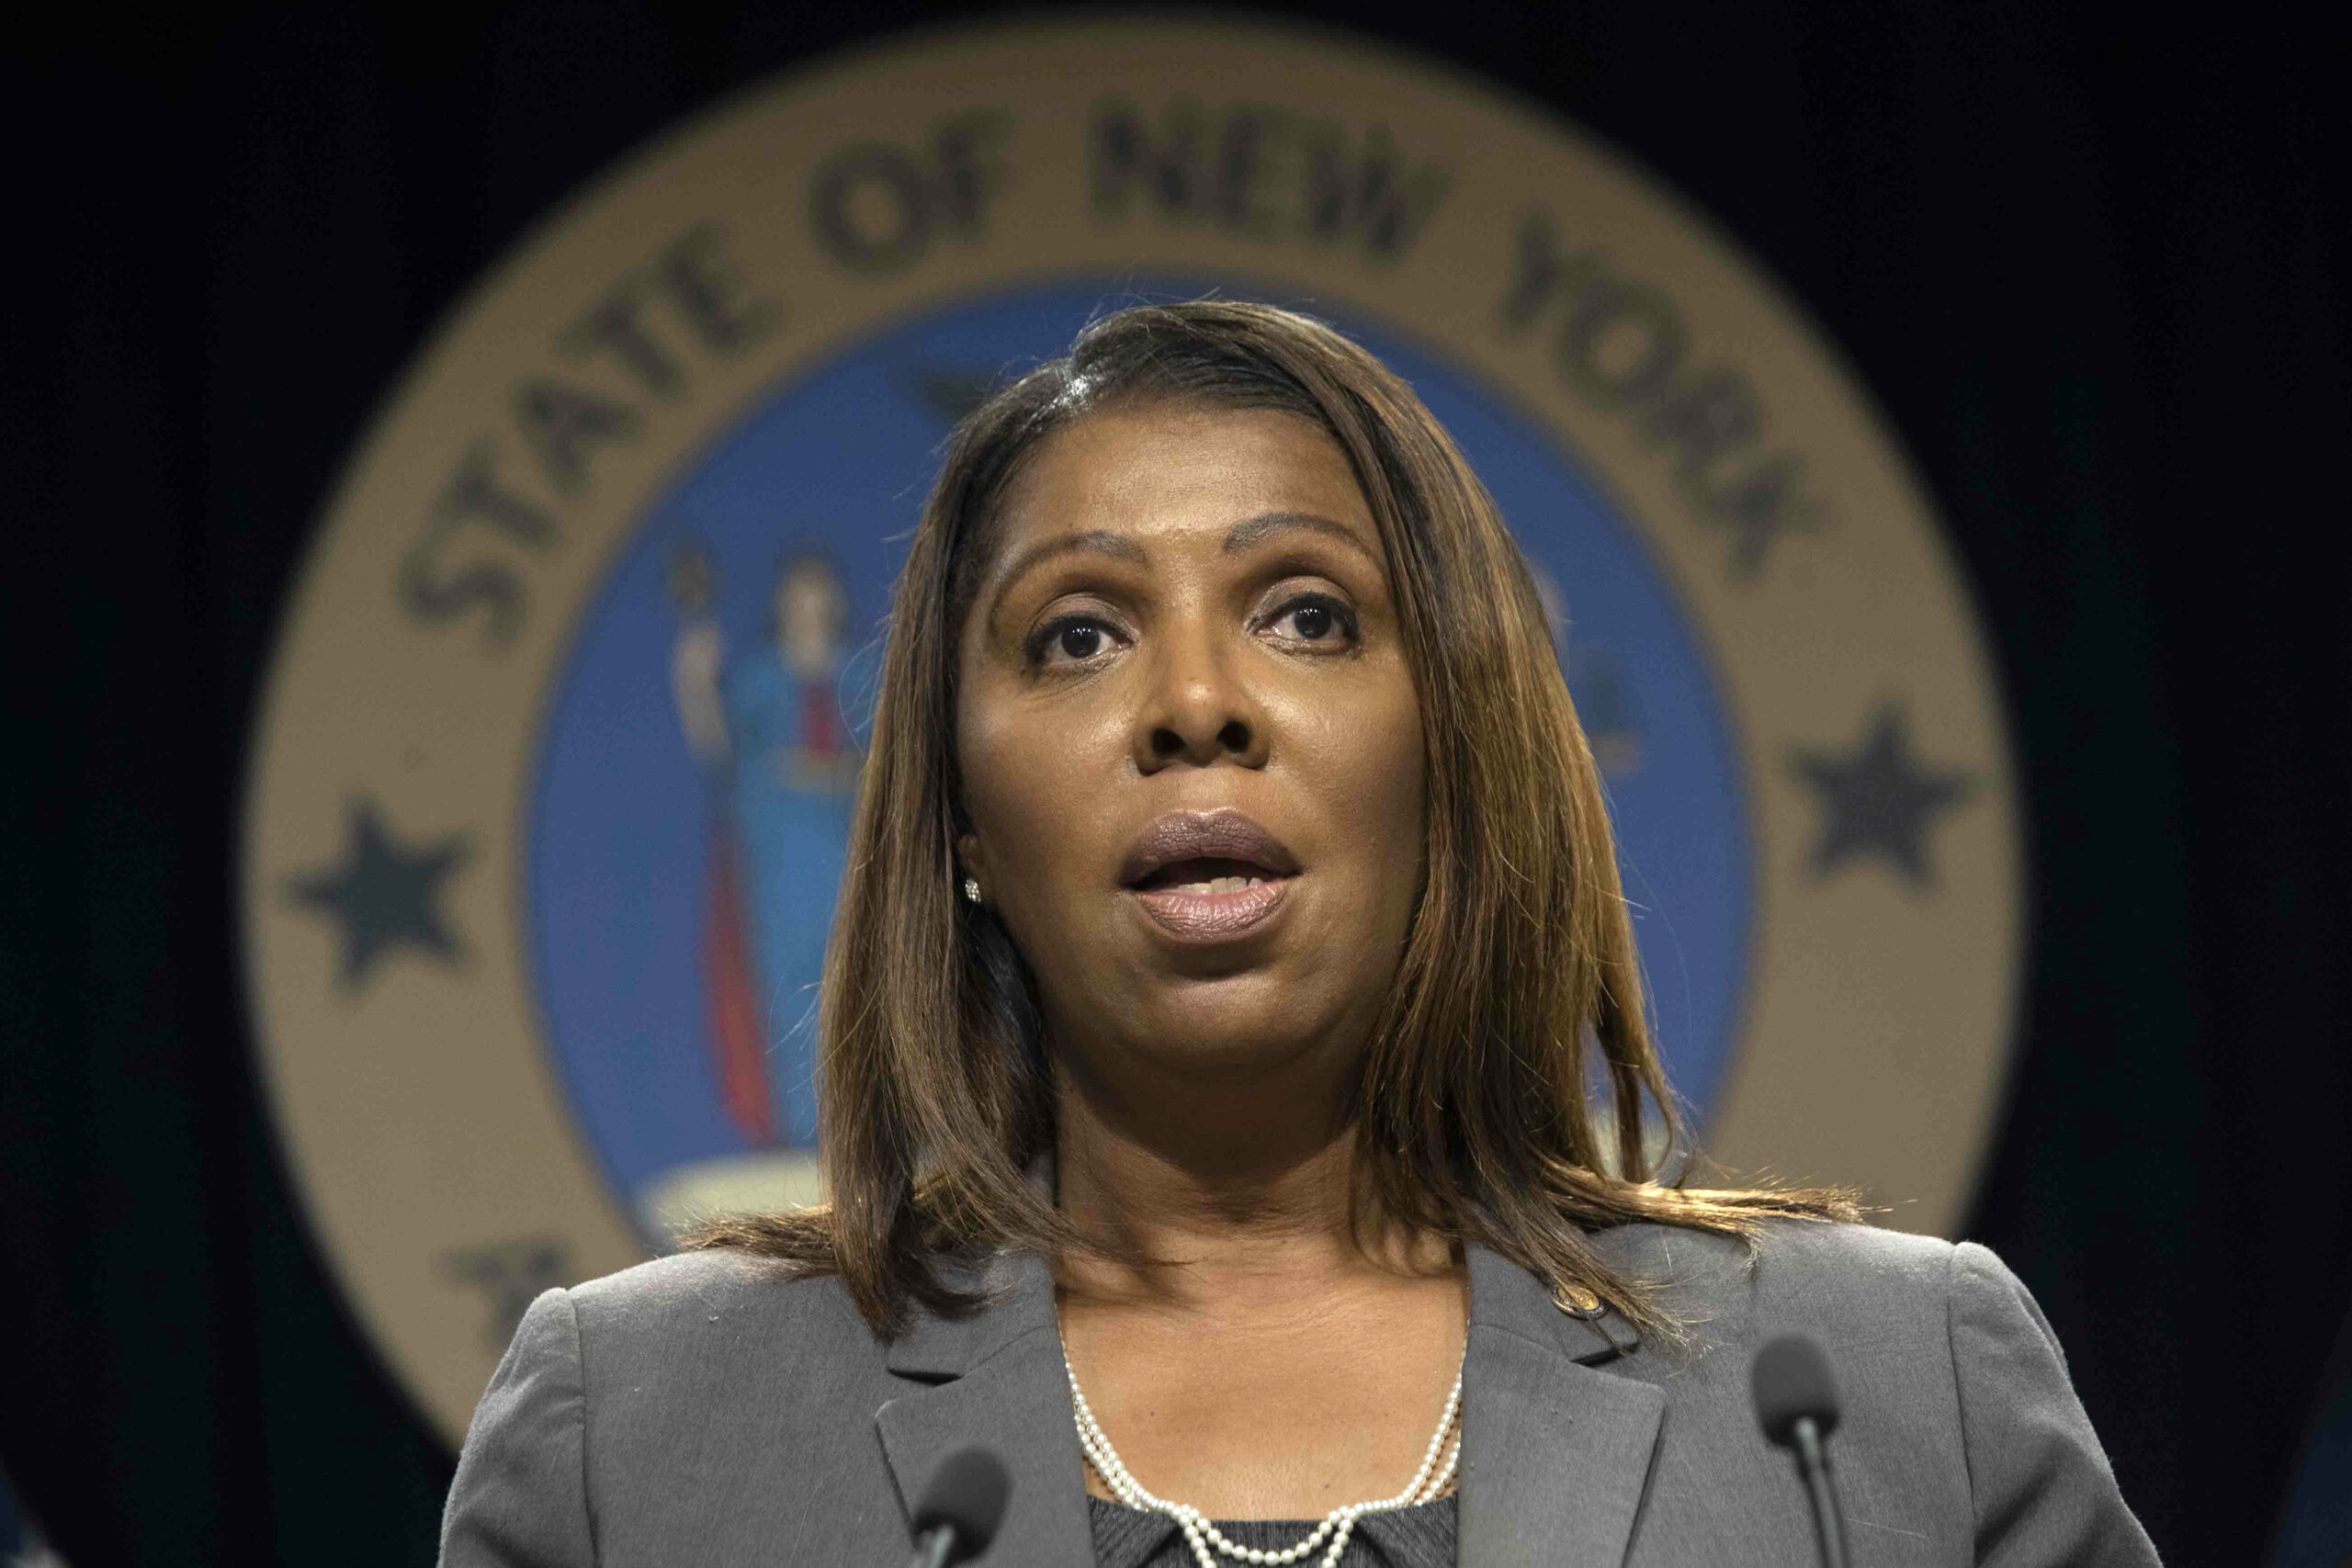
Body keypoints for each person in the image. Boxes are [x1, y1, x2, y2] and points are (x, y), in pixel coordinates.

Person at [438, 301, 2158, 1566]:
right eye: (1078, 637)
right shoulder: (646, 1438)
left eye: (1309, 615)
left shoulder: (1882, 1392)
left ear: (1457, 750)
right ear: (961, 823)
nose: (1196, 703)